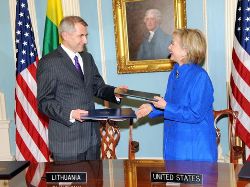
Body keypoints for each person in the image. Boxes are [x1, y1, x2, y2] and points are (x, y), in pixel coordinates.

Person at [37, 16, 126, 161]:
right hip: (67, 144)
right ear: (65, 35)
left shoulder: (87, 58)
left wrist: (115, 92)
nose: (85, 41)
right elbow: (44, 102)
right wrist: (71, 114)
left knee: (94, 182)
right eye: (81, 36)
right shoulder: (49, 62)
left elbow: (98, 87)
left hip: (92, 140)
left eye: (86, 35)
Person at [136, 28, 218, 162]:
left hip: (193, 150)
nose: (169, 47)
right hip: (174, 145)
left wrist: (166, 106)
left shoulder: (200, 77)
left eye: (173, 43)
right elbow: (171, 103)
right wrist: (152, 108)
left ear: (185, 51)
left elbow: (195, 114)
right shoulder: (175, 73)